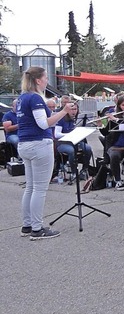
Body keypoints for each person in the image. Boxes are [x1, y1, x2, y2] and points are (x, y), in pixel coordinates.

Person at [17, 66, 75, 240]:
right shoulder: (35, 98)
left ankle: (27, 225)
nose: (47, 81)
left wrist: (57, 112)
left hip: (25, 144)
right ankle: (37, 228)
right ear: (38, 80)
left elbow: (42, 120)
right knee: (39, 189)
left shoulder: (23, 98)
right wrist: (64, 112)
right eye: (45, 78)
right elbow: (44, 124)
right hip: (39, 144)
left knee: (30, 187)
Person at [54, 101, 93, 179]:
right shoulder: (61, 119)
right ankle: (74, 172)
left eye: (75, 109)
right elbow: (56, 134)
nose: (74, 111)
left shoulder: (79, 119)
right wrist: (69, 134)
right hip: (63, 143)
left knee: (88, 148)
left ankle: (84, 170)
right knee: (71, 150)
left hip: (76, 141)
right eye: (71, 109)